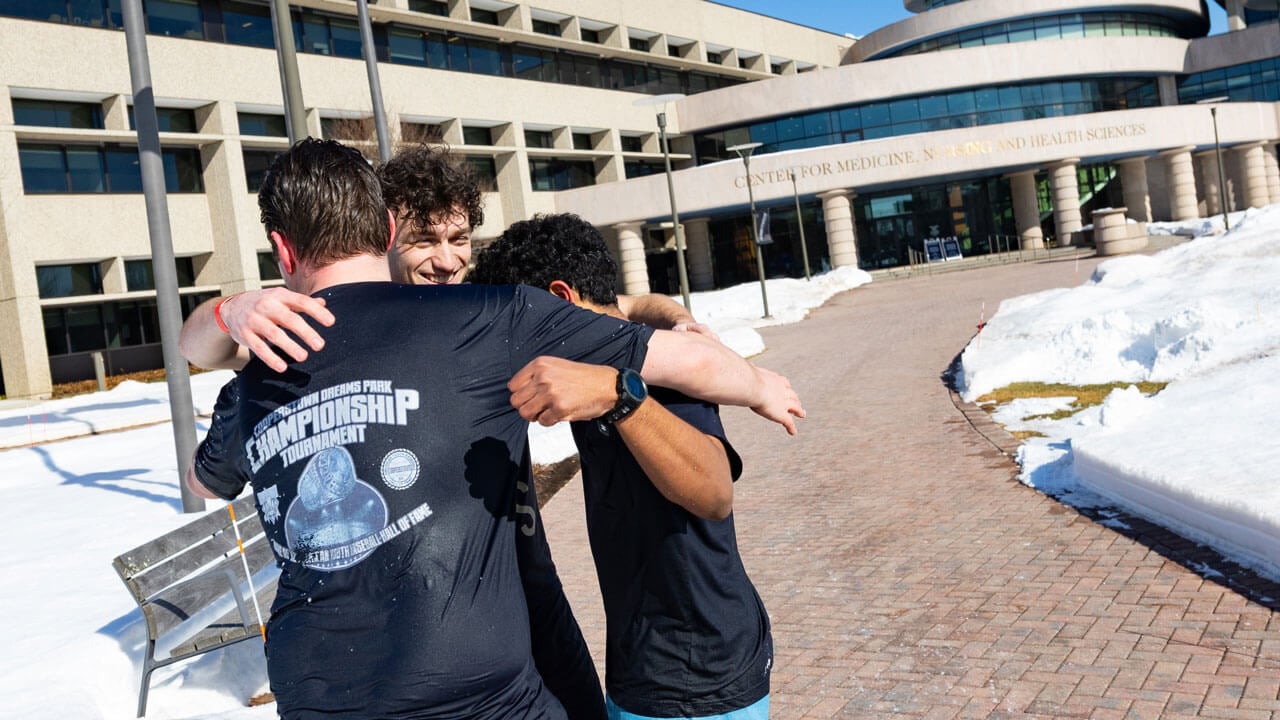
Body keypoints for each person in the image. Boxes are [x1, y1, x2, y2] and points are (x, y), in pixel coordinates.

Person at [182, 138, 802, 719]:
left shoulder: (275, 367)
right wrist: (757, 386)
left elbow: (204, 474)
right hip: (473, 679)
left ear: (283, 250)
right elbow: (675, 354)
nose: (448, 260)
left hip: (344, 678)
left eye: (460, 240)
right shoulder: (489, 322)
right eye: (429, 239)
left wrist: (226, 312)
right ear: (389, 232)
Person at [470, 214, 773, 720]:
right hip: (641, 667)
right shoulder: (591, 342)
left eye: (520, 323)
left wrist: (619, 397)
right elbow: (628, 303)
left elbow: (715, 491)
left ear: (560, 301)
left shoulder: (657, 372)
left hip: (700, 680)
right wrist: (673, 313)